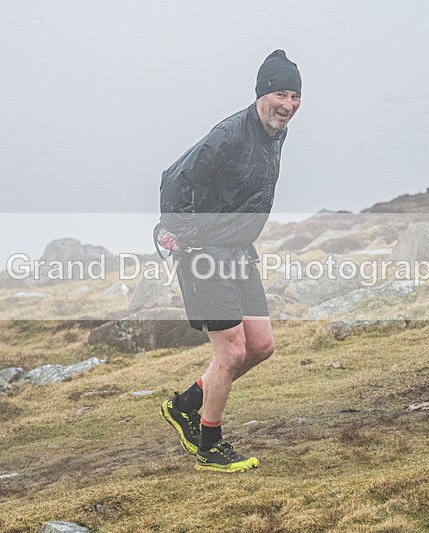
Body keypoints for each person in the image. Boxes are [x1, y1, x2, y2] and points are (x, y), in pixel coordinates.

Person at [157, 50, 302, 472]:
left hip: (238, 254)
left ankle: (185, 405)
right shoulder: (231, 133)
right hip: (205, 256)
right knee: (231, 352)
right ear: (261, 93)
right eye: (280, 93)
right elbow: (174, 179)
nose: (288, 105)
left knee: (261, 346)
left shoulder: (275, 132)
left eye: (294, 96)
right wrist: (189, 240)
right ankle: (210, 445)